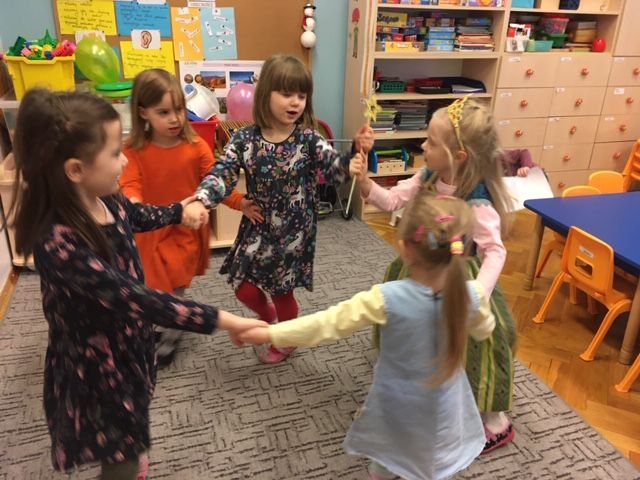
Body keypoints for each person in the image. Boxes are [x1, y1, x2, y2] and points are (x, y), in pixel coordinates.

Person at [6, 89, 265, 479]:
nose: (125, 160)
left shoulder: (107, 199)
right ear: (75, 170)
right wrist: (222, 320)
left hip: (128, 343)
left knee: (132, 423)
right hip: (96, 367)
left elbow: (138, 215)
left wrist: (178, 210)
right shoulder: (57, 242)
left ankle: (128, 453)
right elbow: (136, 298)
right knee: (121, 456)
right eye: (115, 153)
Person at [239, 193, 495, 480]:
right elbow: (485, 329)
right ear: (462, 249)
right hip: (445, 405)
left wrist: (272, 331)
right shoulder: (472, 296)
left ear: (405, 249)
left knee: (387, 455)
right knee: (433, 455)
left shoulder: (387, 298)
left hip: (396, 404)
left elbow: (327, 324)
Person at [350, 96, 517, 454]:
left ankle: (495, 420)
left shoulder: (478, 201)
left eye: (431, 142)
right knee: (414, 330)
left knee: (477, 349)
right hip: (423, 269)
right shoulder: (427, 176)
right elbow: (392, 201)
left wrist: (477, 294)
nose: (423, 146)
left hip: (460, 280)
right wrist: (365, 182)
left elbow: (495, 251)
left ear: (459, 156)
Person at [182, 54, 374, 364]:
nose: (295, 101)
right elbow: (221, 173)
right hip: (257, 224)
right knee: (243, 286)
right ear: (266, 93)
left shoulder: (309, 138)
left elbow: (334, 167)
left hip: (293, 232)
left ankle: (287, 337)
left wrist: (354, 153)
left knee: (282, 292)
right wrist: (201, 199)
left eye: (301, 95)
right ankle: (269, 317)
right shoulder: (244, 138)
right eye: (286, 93)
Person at [120, 69, 262, 366]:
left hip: (184, 234)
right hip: (149, 232)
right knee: (148, 288)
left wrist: (241, 203)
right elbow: (130, 186)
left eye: (179, 110)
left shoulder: (196, 147)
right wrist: (133, 205)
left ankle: (169, 338)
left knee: (175, 291)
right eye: (163, 112)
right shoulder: (133, 150)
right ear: (143, 112)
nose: (174, 119)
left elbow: (216, 183)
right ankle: (159, 324)